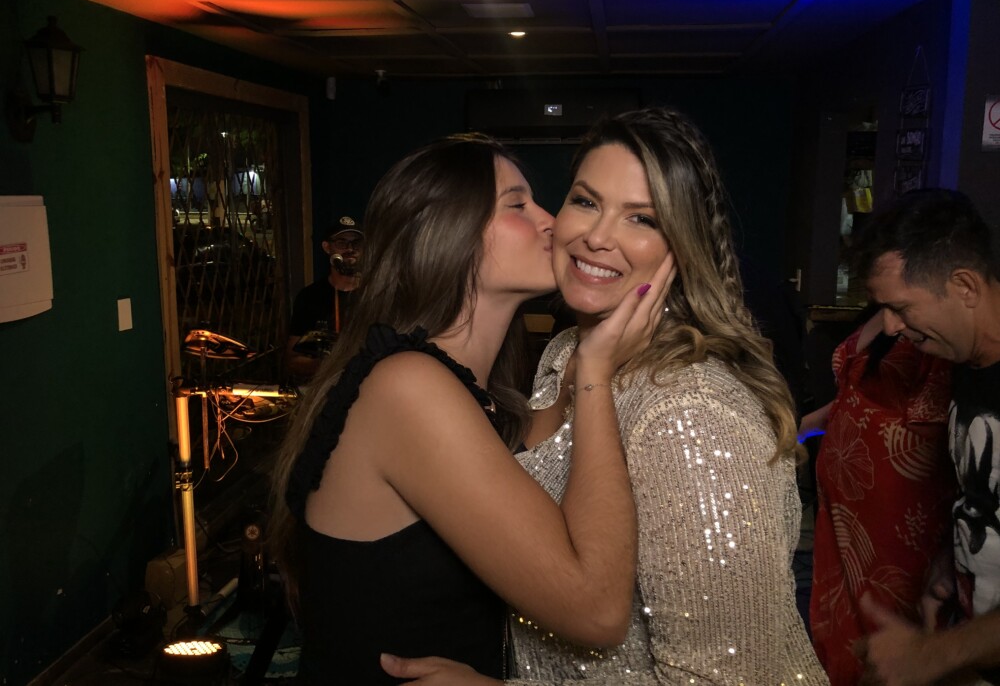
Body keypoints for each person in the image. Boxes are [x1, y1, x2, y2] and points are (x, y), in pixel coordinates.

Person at [382, 107, 828, 684]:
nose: (596, 236)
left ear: (681, 247)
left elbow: (726, 678)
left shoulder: (692, 410)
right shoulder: (564, 351)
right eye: (586, 201)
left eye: (641, 218)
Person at [267, 132, 675, 684]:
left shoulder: (472, 392)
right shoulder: (408, 388)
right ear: (446, 234)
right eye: (517, 205)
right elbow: (596, 611)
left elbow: (549, 458)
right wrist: (596, 374)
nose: (553, 222)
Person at [846, 188, 1000, 685]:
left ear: (964, 286)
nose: (891, 326)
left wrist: (929, 656)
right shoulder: (968, 362)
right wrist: (954, 560)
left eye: (902, 308)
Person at [801, 305, 954, 685]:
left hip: (899, 518)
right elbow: (856, 397)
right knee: (840, 629)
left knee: (887, 632)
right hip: (844, 516)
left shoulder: (937, 323)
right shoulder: (889, 308)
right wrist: (802, 428)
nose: (891, 321)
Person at [284, 216, 364, 380]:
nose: (350, 249)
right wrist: (332, 365)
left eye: (356, 243)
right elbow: (292, 360)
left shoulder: (377, 294)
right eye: (341, 243)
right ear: (327, 247)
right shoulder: (310, 297)